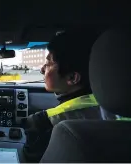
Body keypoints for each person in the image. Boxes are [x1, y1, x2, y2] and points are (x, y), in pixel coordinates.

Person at [23, 28, 116, 162]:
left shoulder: (45, 123)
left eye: (49, 63)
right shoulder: (117, 109)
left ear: (73, 77)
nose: (42, 69)